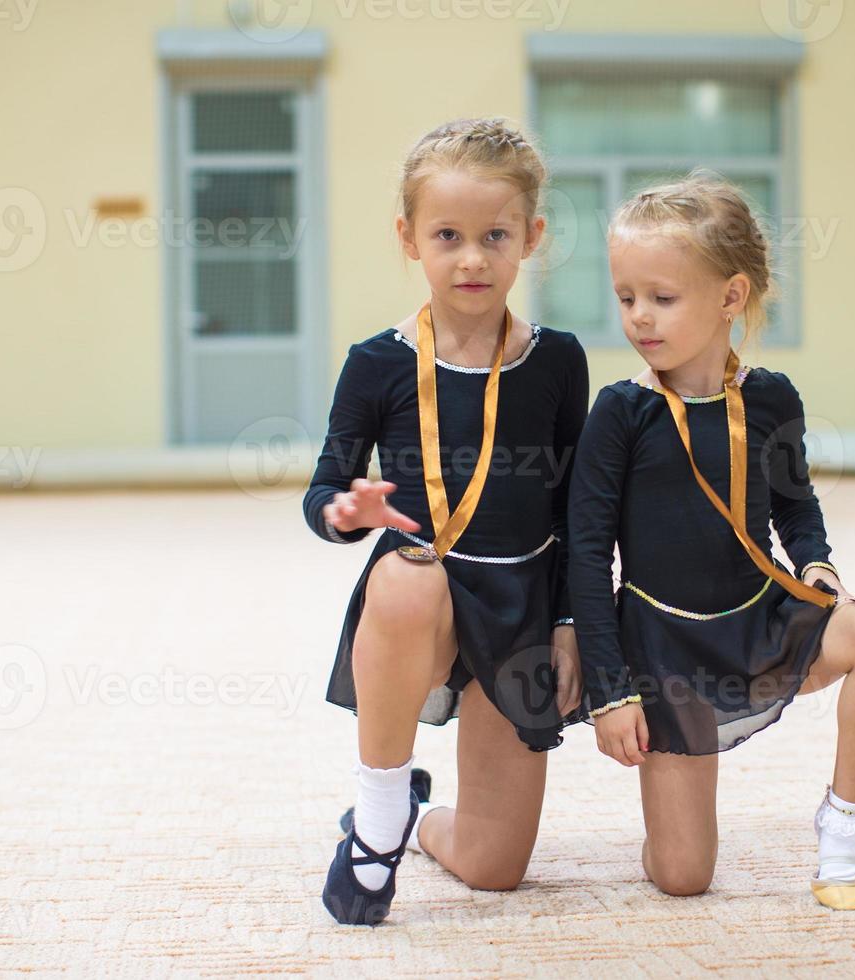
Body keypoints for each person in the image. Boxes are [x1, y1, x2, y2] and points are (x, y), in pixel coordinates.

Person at [567, 171, 855, 910]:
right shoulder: (620, 413)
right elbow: (588, 557)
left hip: (758, 621)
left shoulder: (771, 397)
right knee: (683, 876)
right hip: (665, 651)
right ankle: (430, 819)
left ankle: (843, 822)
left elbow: (795, 504)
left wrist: (817, 562)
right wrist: (610, 691)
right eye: (626, 297)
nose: (639, 318)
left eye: (662, 298)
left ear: (730, 297)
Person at [303, 117, 588, 926]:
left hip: (520, 604)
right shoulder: (378, 362)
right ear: (409, 239)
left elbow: (575, 510)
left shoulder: (559, 360)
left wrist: (568, 622)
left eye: (495, 235)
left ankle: (417, 822)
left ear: (531, 237)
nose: (472, 257)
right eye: (448, 236)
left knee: (496, 870)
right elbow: (324, 488)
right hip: (419, 603)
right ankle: (381, 808)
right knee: (402, 570)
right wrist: (344, 512)